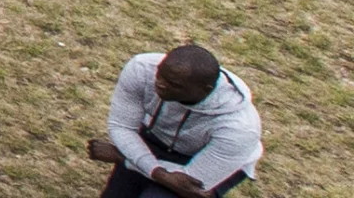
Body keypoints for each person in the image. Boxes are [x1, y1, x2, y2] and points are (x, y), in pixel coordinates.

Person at [97, 45, 262, 197]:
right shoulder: (142, 69)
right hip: (158, 139)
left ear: (206, 90)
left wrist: (124, 159)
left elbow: (189, 184)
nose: (160, 84)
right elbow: (122, 127)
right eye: (160, 73)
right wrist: (156, 171)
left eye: (173, 84)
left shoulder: (240, 129)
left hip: (207, 160)